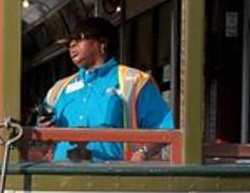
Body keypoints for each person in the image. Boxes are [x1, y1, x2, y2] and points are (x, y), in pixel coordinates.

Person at [40, 16, 173, 162]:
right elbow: (40, 141)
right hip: (60, 178)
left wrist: (143, 152)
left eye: (79, 38)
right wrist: (43, 130)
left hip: (113, 178)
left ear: (102, 43)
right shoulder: (59, 89)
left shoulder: (134, 81)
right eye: (70, 42)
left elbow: (165, 127)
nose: (72, 45)